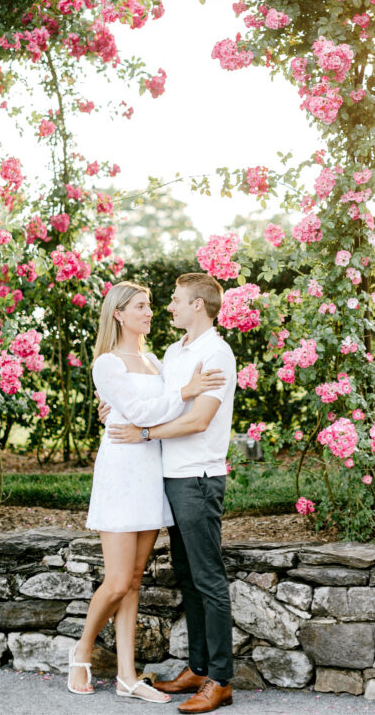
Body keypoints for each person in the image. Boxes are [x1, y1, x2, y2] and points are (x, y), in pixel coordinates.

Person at [68, 280, 225, 702]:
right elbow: (138, 413)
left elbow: (150, 413)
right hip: (122, 472)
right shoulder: (107, 363)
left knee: (134, 580)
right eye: (141, 306)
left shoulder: (157, 360)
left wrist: (175, 397)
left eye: (152, 305)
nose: (150, 311)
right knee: (117, 580)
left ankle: (127, 676)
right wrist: (185, 392)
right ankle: (82, 648)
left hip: (151, 472)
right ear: (118, 313)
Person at [107, 272, 237, 714]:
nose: (169, 307)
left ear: (197, 305)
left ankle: (220, 679)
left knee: (208, 579)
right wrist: (117, 405)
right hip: (171, 477)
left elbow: (198, 420)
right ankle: (198, 669)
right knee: (188, 577)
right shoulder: (174, 352)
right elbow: (155, 399)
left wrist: (143, 433)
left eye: (177, 300)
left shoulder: (217, 353)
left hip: (199, 477)